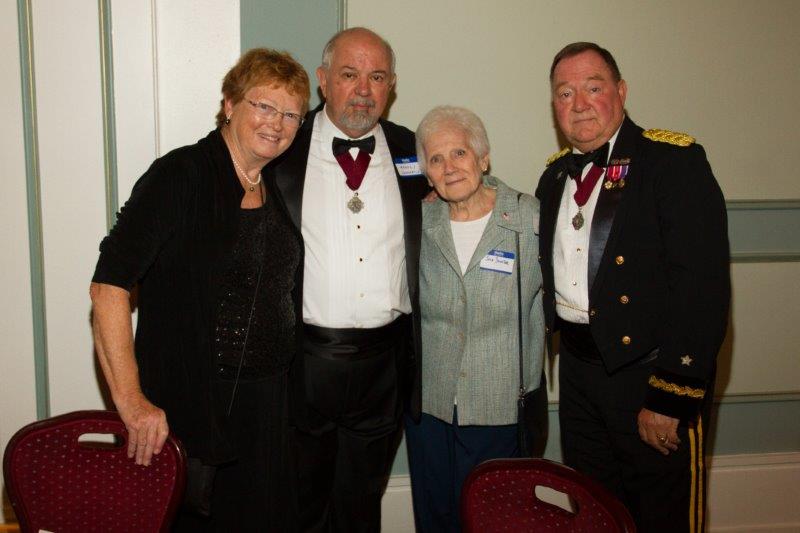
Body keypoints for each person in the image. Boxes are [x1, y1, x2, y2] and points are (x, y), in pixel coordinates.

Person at [89, 48, 310, 531]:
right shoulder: (180, 174)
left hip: (267, 410)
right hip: (195, 409)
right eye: (264, 106)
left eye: (291, 114)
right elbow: (108, 287)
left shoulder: (270, 183)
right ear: (229, 104)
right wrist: (131, 401)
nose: (277, 123)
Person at [535, 42, 730, 532]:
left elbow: (701, 290)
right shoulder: (553, 177)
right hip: (578, 377)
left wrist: (669, 396)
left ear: (621, 91)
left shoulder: (671, 162)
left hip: (648, 377)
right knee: (596, 515)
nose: (579, 103)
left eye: (593, 88)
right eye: (565, 93)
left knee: (663, 518)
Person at [264, 27, 429, 532]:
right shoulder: (282, 148)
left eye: (376, 77)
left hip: (386, 364)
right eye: (349, 74)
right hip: (303, 360)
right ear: (322, 80)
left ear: (391, 85)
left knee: (361, 505)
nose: (363, 90)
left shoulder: (414, 150)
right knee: (301, 504)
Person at [404, 106, 545, 532]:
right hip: (430, 408)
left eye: (460, 153)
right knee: (435, 519)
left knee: (494, 522)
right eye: (436, 159)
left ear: (484, 158)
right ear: (427, 174)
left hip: (500, 407)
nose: (449, 167)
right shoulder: (418, 220)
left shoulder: (529, 218)